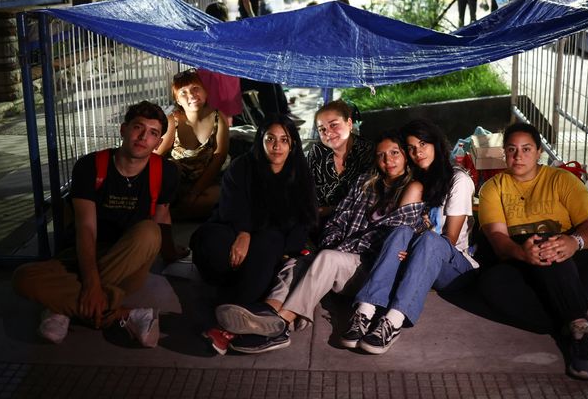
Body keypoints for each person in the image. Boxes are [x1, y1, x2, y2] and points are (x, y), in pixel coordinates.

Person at [214, 131, 425, 354]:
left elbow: (384, 240)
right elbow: (336, 221)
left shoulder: (414, 189)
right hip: (344, 260)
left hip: (372, 274)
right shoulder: (365, 183)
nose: (387, 160)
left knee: (327, 257)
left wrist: (340, 247)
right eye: (381, 155)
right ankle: (269, 312)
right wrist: (334, 243)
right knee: (298, 262)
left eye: (394, 153)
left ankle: (282, 326)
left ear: (406, 156)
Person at [12, 101, 180, 348]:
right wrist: (91, 284)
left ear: (159, 142)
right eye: (138, 128)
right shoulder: (91, 166)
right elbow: (86, 228)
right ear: (123, 129)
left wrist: (172, 254)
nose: (144, 137)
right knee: (22, 277)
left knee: (149, 232)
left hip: (129, 261)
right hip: (82, 256)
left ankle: (62, 308)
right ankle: (122, 312)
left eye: (153, 133)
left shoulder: (166, 172)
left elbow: (162, 220)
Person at [476, 122, 588, 380]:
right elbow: (499, 239)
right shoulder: (493, 188)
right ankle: (575, 319)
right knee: (490, 284)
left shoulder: (563, 180)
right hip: (522, 259)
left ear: (539, 152)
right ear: (504, 153)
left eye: (526, 149)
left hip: (574, 258)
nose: (518, 156)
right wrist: (522, 253)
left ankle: (580, 338)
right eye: (512, 149)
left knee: (549, 246)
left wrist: (573, 243)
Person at [344, 119, 477, 354]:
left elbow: (450, 239)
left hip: (455, 267)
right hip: (417, 258)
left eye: (423, 144)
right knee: (400, 230)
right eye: (412, 148)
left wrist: (411, 250)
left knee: (429, 240)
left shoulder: (459, 180)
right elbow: (403, 227)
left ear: (436, 144)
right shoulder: (415, 182)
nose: (418, 152)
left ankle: (393, 321)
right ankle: (364, 312)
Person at [190, 114, 317, 355]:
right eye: (270, 139)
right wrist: (243, 232)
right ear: (260, 140)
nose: (277, 146)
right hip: (233, 229)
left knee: (270, 245)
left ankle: (224, 326)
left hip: (270, 244)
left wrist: (287, 251)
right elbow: (229, 207)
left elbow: (304, 220)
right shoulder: (242, 166)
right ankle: (234, 311)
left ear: (293, 145)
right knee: (210, 240)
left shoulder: (300, 174)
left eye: (284, 140)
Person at [155, 69, 230, 220]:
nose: (191, 95)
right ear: (177, 100)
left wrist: (195, 192)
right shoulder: (173, 120)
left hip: (205, 183)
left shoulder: (218, 117)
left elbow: (219, 158)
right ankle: (175, 211)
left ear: (205, 92)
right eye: (183, 92)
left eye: (196, 88)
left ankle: (174, 214)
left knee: (222, 197)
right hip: (176, 185)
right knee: (171, 167)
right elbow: (157, 156)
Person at [308, 100, 375, 225]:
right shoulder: (317, 152)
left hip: (359, 222)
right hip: (320, 223)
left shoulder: (367, 151)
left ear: (349, 123)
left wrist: (329, 210)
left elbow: (367, 200)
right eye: (322, 129)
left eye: (333, 125)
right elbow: (308, 191)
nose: (328, 132)